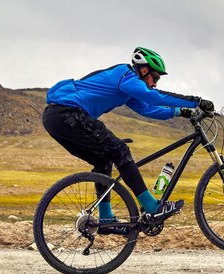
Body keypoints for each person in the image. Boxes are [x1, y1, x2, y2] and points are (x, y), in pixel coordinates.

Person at [42, 47, 214, 229]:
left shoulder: (127, 88)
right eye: (155, 78)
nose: (155, 83)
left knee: (104, 160)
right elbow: (154, 97)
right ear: (144, 70)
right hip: (67, 114)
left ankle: (107, 220)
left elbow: (149, 109)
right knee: (120, 150)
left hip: (56, 119)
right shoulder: (126, 76)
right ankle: (152, 207)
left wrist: (181, 112)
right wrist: (197, 101)